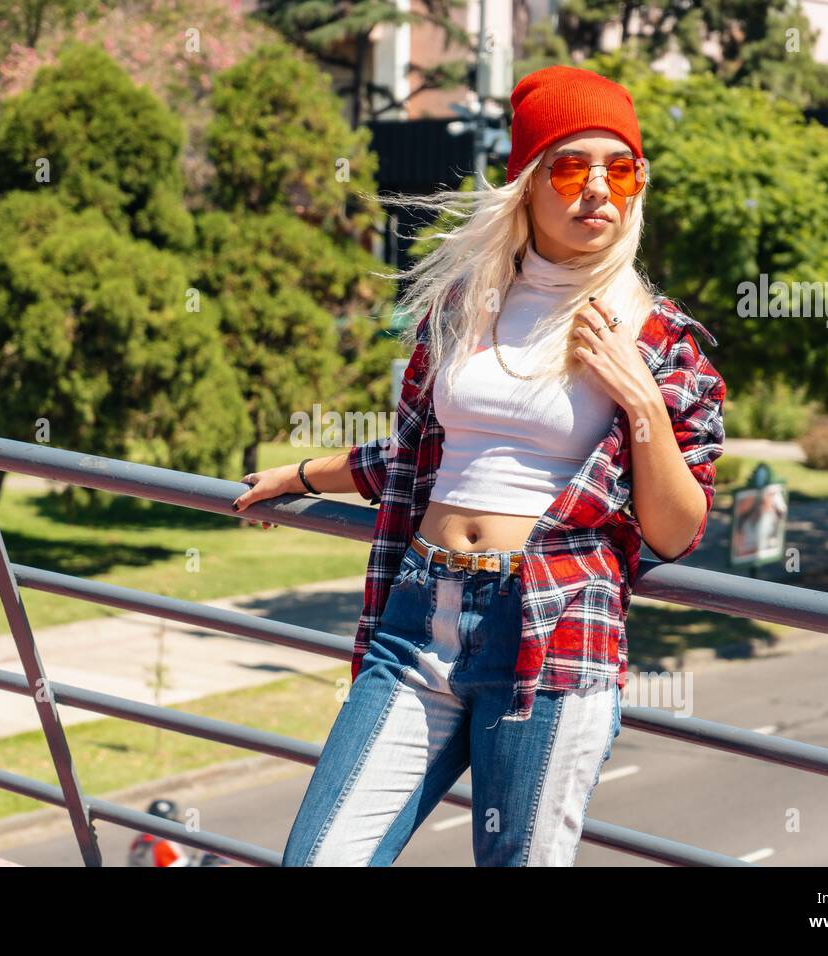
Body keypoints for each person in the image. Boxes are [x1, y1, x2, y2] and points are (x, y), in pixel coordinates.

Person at [233, 65, 726, 866]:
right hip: (418, 616)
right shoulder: (466, 305)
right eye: (571, 166)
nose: (597, 187)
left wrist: (640, 405)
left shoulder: (658, 336)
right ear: (528, 183)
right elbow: (421, 456)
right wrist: (302, 476)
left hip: (554, 632)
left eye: (620, 168)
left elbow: (676, 531)